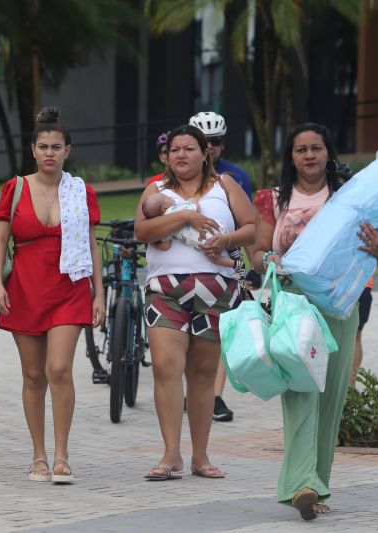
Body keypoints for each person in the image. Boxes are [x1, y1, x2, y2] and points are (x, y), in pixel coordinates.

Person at [251, 123, 378, 520]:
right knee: (299, 390)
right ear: (290, 157)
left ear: (329, 153)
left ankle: (318, 485)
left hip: (341, 305)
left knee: (330, 398)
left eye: (316, 148)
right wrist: (269, 261)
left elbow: (377, 249)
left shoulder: (350, 198)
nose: (309, 155)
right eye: (301, 150)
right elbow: (256, 253)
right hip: (293, 305)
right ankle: (301, 485)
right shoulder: (272, 200)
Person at [134, 124, 254, 481]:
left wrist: (227, 239)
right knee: (165, 368)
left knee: (202, 375)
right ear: (167, 157)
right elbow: (142, 231)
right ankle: (171, 455)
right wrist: (185, 216)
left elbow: (252, 227)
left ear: (206, 153)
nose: (181, 155)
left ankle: (201, 456)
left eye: (189, 148)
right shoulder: (156, 189)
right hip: (165, 289)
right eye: (175, 150)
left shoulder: (225, 186)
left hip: (215, 292)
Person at [0, 107, 104, 484]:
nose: (50, 152)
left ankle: (61, 455)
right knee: (33, 374)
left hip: (70, 288)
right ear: (33, 150)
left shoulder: (80, 190)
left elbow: (91, 243)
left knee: (59, 369)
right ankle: (38, 455)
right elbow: (0, 238)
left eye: (57, 146)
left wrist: (99, 293)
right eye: (43, 146)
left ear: (68, 150)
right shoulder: (16, 187)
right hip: (24, 288)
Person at [188, 111, 252, 422]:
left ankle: (214, 395)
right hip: (187, 260)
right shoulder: (174, 176)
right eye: (203, 142)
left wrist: (251, 267)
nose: (209, 148)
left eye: (214, 142)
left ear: (222, 146)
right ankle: (195, 388)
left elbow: (250, 222)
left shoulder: (236, 177)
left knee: (220, 328)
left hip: (228, 255)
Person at [141, 192, 241, 269]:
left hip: (204, 244)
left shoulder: (165, 227)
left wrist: (153, 243)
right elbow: (196, 209)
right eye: (167, 198)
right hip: (212, 230)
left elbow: (165, 246)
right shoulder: (177, 208)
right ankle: (234, 252)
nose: (171, 198)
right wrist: (193, 200)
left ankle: (235, 264)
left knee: (215, 259)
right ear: (164, 208)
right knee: (226, 240)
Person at [350, 278, 373, 387]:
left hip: (340, 283)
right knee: (356, 337)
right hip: (364, 285)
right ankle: (351, 383)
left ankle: (350, 383)